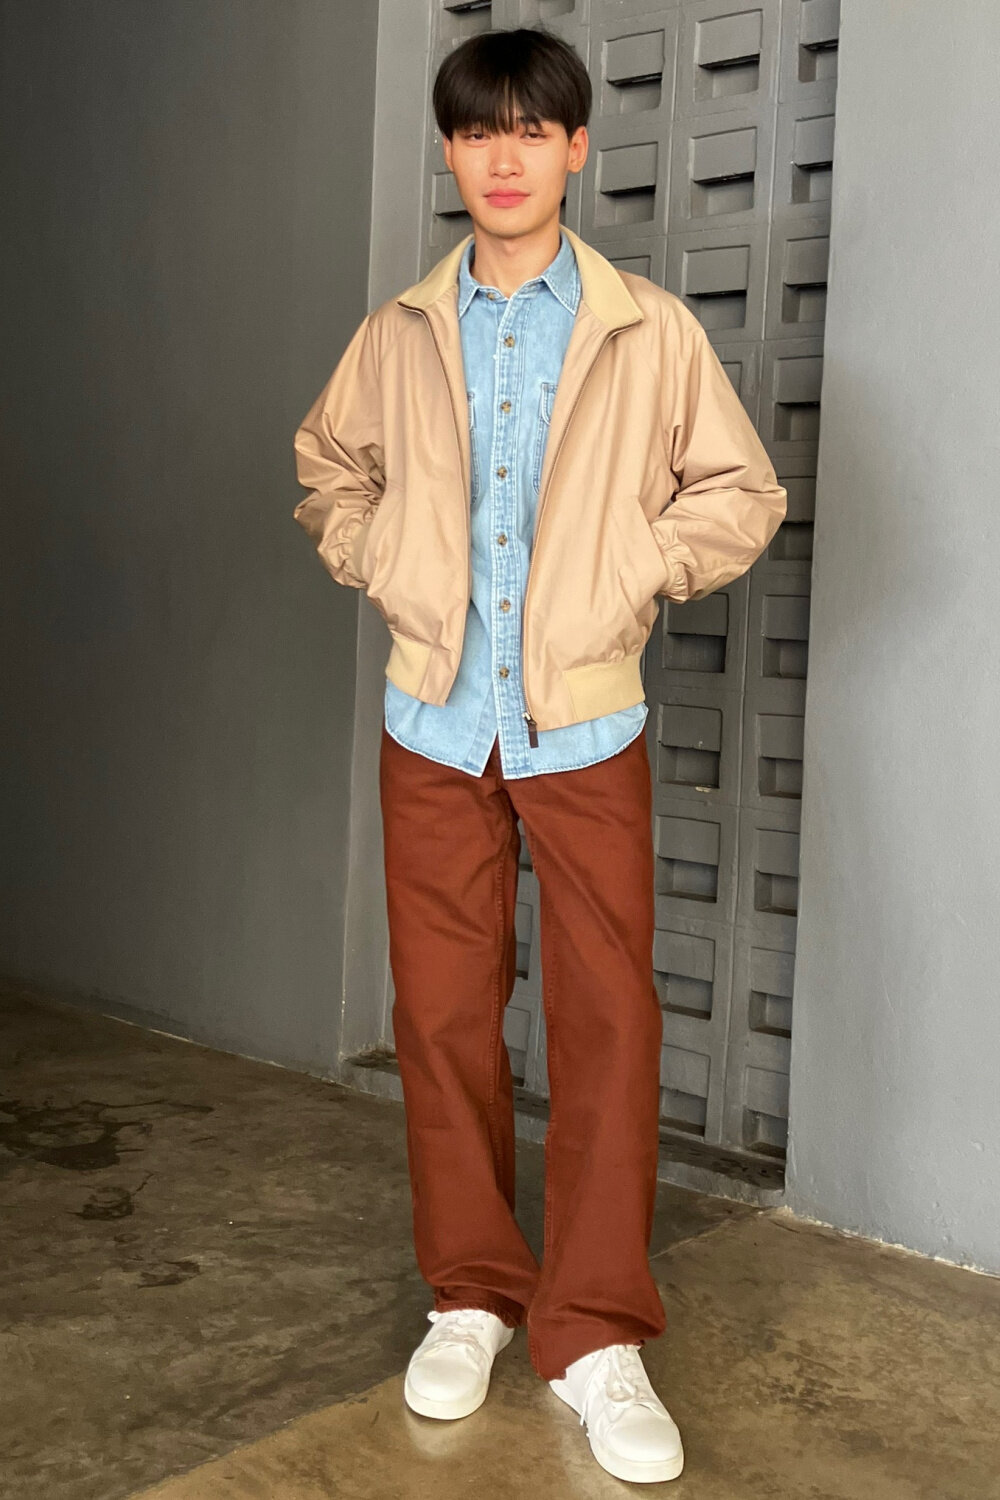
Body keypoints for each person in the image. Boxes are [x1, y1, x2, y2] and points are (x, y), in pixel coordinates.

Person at [293, 25, 786, 1485]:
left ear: (577, 146)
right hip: (436, 721)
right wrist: (384, 556)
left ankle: (593, 1333)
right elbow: (329, 468)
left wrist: (638, 570)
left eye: (531, 129)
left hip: (584, 721)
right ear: (451, 154)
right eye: (475, 131)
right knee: (444, 1016)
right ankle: (472, 1293)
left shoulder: (647, 329)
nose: (502, 157)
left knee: (607, 1018)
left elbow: (740, 490)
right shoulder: (399, 330)